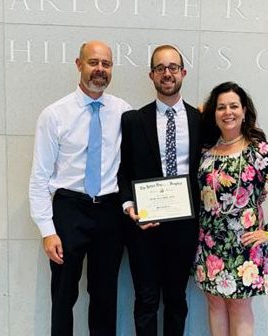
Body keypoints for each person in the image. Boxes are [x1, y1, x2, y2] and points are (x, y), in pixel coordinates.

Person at [28, 40, 132, 336]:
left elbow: (148, 141)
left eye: (106, 64)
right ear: (79, 64)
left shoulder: (124, 111)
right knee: (63, 295)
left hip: (110, 212)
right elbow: (39, 177)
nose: (100, 69)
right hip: (69, 209)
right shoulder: (54, 114)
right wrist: (47, 231)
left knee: (105, 295)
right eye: (93, 62)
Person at [194, 81, 268, 336]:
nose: (228, 112)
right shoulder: (206, 150)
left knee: (239, 305)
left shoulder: (258, 150)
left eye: (234, 106)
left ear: (244, 110)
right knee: (214, 302)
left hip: (244, 244)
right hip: (209, 242)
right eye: (221, 107)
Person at [117, 44, 201, 336]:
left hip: (186, 226)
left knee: (177, 301)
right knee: (146, 300)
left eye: (173, 68)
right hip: (144, 225)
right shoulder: (132, 120)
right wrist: (129, 206)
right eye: (161, 68)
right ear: (151, 75)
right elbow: (123, 169)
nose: (167, 73)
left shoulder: (201, 121)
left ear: (183, 73)